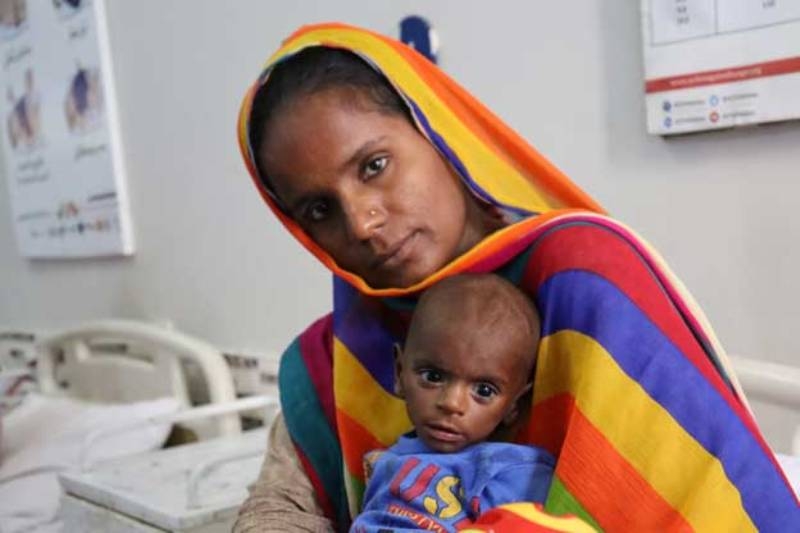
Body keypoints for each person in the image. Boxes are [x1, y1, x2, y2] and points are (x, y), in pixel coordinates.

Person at [233, 23, 798, 533]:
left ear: (436, 130)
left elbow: (693, 504)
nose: (362, 222)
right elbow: (278, 507)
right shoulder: (335, 359)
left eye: (374, 166)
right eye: (318, 211)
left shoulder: (589, 280)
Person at [351, 274, 554, 532]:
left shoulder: (512, 469)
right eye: (433, 377)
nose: (451, 403)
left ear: (514, 405)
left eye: (484, 390)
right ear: (400, 373)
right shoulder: (387, 459)